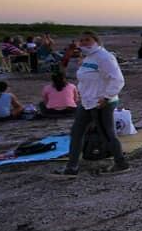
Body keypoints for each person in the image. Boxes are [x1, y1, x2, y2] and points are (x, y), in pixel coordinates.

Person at [54, 31, 127, 177]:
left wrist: (106, 97)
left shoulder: (105, 57)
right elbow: (82, 78)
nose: (83, 43)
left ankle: (121, 164)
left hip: (102, 102)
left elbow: (118, 79)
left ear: (96, 41)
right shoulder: (87, 58)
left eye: (87, 40)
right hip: (87, 102)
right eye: (81, 41)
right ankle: (72, 167)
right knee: (76, 133)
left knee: (108, 134)